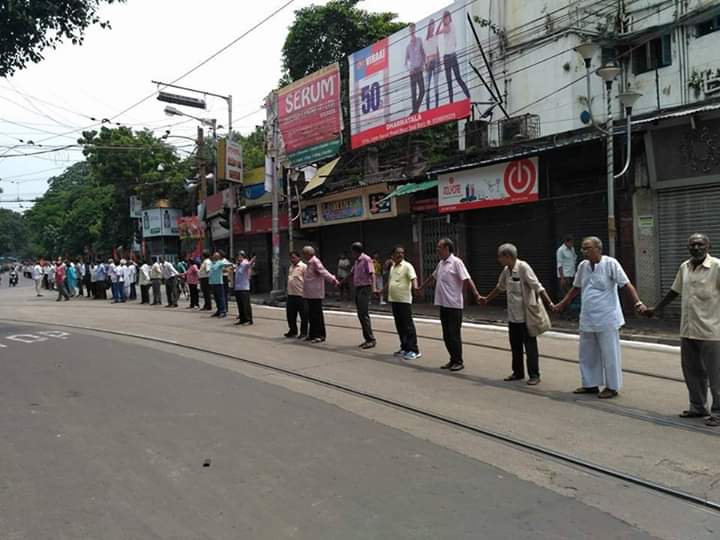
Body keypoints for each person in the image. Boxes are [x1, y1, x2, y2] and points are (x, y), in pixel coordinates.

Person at [554, 236, 646, 399]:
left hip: (607, 317)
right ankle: (590, 384)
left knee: (610, 354)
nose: (584, 251)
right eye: (582, 248)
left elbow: (626, 285)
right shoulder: (583, 266)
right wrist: (562, 304)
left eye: (587, 248)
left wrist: (638, 303)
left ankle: (612, 387)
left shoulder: (611, 264)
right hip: (588, 317)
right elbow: (576, 288)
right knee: (587, 353)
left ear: (598, 249)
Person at [645, 234, 720, 426]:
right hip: (688, 329)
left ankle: (718, 412)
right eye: (692, 245)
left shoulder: (717, 267)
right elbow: (674, 291)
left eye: (700, 244)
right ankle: (698, 407)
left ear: (708, 246)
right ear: (688, 247)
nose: (696, 248)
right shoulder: (684, 267)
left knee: (716, 375)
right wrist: (656, 309)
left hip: (712, 330)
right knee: (692, 371)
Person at [478, 244, 554, 385]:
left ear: (508, 256)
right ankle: (518, 372)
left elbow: (538, 286)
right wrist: (487, 299)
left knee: (530, 347)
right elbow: (500, 287)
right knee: (515, 346)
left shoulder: (523, 267)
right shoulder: (506, 271)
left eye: (500, 257)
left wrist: (550, 303)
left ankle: (534, 375)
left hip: (526, 316)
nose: (499, 259)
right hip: (513, 316)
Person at [420, 238, 481, 371]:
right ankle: (452, 359)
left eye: (439, 247)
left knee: (454, 335)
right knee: (446, 335)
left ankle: (458, 361)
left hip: (454, 305)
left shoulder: (456, 262)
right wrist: (421, 287)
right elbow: (433, 277)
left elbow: (467, 278)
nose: (437, 250)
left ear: (447, 248)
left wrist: (476, 295)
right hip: (443, 304)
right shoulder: (441, 263)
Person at [387, 246, 421, 361]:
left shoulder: (407, 266)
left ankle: (414, 350)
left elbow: (413, 278)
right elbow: (390, 281)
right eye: (398, 253)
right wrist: (381, 291)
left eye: (402, 253)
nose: (400, 255)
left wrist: (415, 288)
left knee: (408, 326)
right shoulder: (392, 267)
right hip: (394, 299)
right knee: (400, 325)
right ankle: (405, 347)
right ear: (392, 255)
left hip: (404, 300)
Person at [302, 246, 340, 343]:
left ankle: (320, 335)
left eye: (304, 253)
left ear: (308, 254)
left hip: (315, 293)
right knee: (311, 315)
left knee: (317, 315)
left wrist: (333, 280)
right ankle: (312, 334)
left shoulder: (315, 261)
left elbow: (324, 272)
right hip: (309, 293)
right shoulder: (309, 263)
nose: (303, 255)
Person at [436, 10, 470, 103]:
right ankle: (451, 102)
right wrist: (440, 22)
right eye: (444, 18)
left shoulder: (451, 26)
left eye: (446, 18)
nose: (445, 20)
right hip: (446, 56)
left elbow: (440, 32)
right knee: (449, 81)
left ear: (449, 17)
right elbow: (437, 32)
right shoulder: (446, 26)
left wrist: (441, 22)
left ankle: (468, 96)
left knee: (458, 77)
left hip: (452, 55)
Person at [350, 243, 376, 349]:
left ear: (356, 251)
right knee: (360, 314)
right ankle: (367, 338)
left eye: (352, 251)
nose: (352, 254)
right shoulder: (357, 261)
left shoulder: (366, 259)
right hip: (358, 288)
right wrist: (340, 283)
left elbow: (372, 273)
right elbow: (351, 273)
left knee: (364, 314)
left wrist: (374, 289)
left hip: (365, 288)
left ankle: (371, 340)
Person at [285, 251, 308, 338]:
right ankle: (293, 330)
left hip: (301, 294)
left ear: (298, 257)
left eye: (294, 258)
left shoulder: (303, 267)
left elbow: (307, 280)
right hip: (291, 294)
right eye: (291, 258)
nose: (292, 259)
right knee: (290, 314)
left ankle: (304, 332)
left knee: (303, 315)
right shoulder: (291, 267)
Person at [405, 22, 426, 115]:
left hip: (419, 70)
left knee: (422, 91)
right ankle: (415, 112)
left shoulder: (419, 40)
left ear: (415, 29)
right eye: (410, 29)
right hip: (412, 73)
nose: (412, 30)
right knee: (413, 93)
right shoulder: (408, 47)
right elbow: (405, 62)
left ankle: (415, 110)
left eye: (413, 28)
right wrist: (409, 70)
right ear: (409, 31)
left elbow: (423, 54)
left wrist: (423, 65)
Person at [233, 251, 255, 326]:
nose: (238, 258)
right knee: (240, 305)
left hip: (244, 288)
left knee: (245, 305)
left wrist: (253, 259)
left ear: (243, 257)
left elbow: (249, 264)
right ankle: (242, 319)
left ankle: (248, 320)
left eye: (240, 256)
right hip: (238, 288)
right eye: (237, 256)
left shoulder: (245, 263)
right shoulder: (238, 264)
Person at [209, 252, 233, 318]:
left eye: (216, 256)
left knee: (220, 297)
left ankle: (223, 311)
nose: (214, 256)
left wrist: (227, 270)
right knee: (216, 298)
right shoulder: (213, 263)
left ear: (218, 257)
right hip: (213, 283)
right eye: (214, 255)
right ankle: (219, 310)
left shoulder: (220, 262)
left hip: (219, 283)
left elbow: (230, 264)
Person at [424, 17, 441, 110]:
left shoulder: (435, 37)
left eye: (434, 25)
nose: (433, 27)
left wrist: (439, 63)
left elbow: (437, 50)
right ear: (429, 26)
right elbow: (425, 54)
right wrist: (425, 64)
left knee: (436, 86)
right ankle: (428, 109)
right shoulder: (426, 40)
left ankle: (436, 107)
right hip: (428, 63)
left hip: (435, 62)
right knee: (427, 87)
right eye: (431, 25)